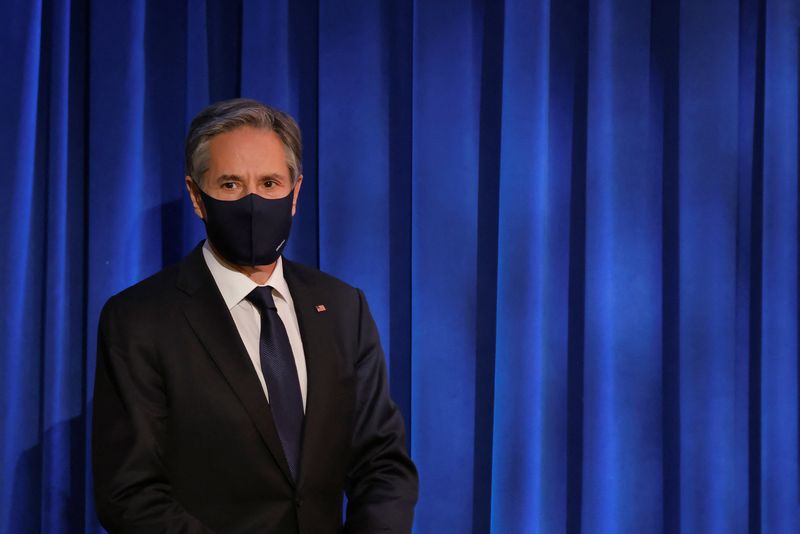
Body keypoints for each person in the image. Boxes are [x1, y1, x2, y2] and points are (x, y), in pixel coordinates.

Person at [92, 98, 418, 533]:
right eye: (230, 185)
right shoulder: (139, 321)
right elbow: (129, 492)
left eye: (269, 183)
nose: (252, 202)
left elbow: (383, 464)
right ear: (196, 197)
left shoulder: (342, 307)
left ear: (295, 193)